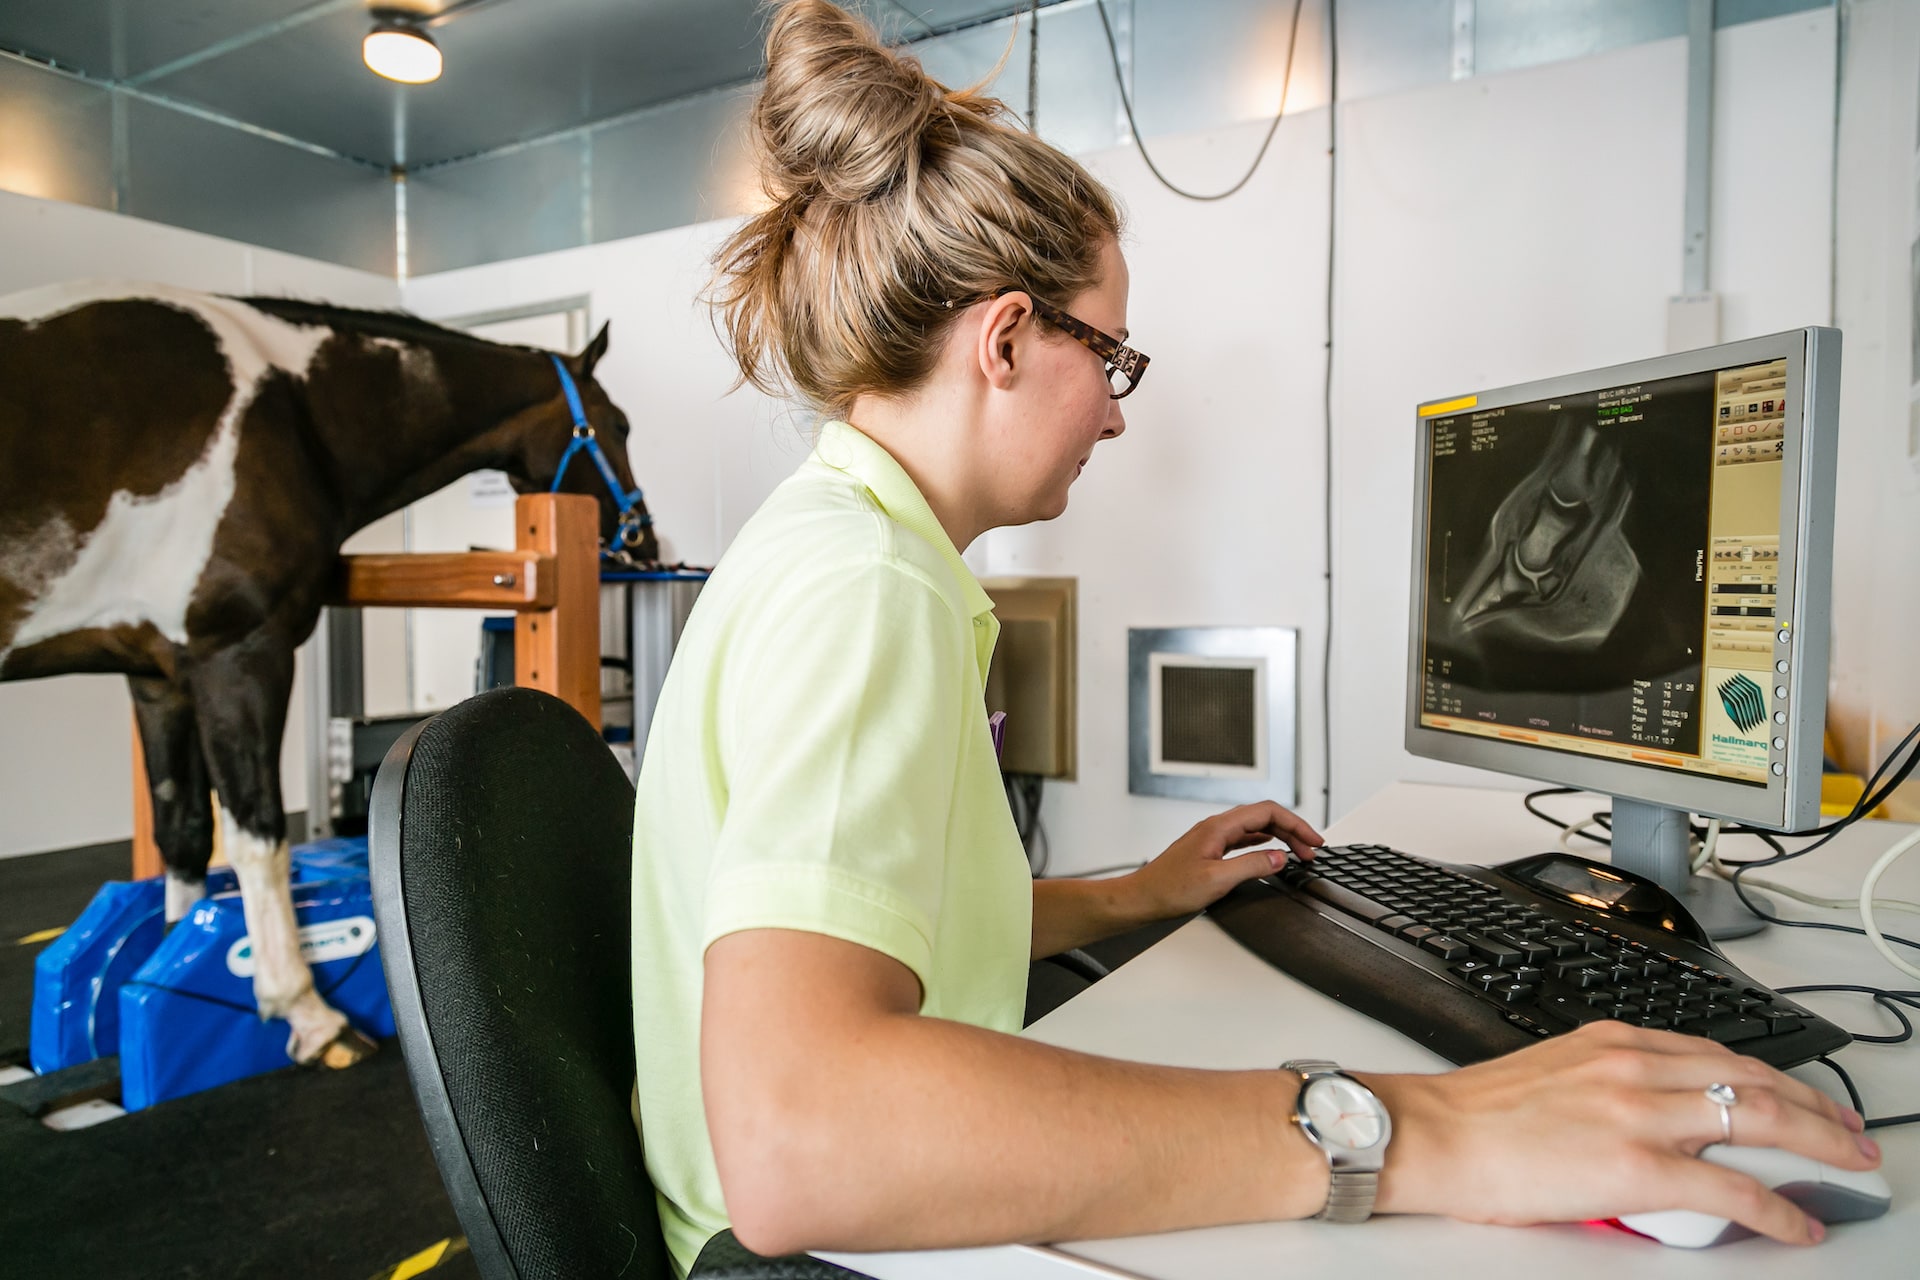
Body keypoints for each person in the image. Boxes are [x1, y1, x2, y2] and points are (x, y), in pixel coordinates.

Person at [630, 3, 1880, 1275]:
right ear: (1006, 340)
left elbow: (893, 924)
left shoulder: (840, 543)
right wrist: (1421, 1128)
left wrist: (1136, 894)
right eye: (1110, 357)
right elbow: (800, 1140)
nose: (1116, 419)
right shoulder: (864, 589)